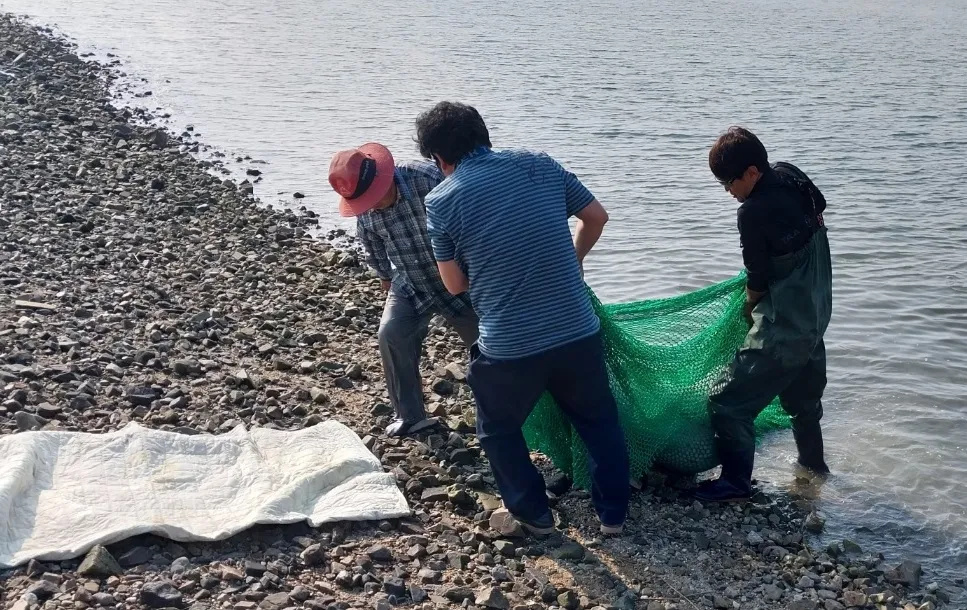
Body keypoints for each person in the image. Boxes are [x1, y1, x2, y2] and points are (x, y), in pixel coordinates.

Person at [416, 101, 630, 535]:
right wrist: (574, 258)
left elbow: (454, 284)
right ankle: (613, 515)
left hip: (510, 345)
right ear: (484, 135)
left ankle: (535, 515)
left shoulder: (441, 200)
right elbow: (596, 217)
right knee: (598, 421)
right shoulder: (540, 164)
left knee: (497, 428)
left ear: (438, 158)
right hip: (577, 329)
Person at [696, 127, 833, 503]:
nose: (728, 191)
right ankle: (814, 469)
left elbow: (757, 279)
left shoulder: (751, 212)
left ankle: (735, 484)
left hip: (784, 328)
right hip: (815, 315)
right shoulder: (792, 175)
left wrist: (747, 306)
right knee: (804, 404)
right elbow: (820, 207)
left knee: (728, 403)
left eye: (729, 182)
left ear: (752, 172)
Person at [327, 143, 479, 437]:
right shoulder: (364, 207)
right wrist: (385, 276)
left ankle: (504, 415)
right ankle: (410, 416)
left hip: (460, 283)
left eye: (371, 198)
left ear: (383, 179)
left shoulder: (427, 178)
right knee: (391, 334)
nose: (369, 207)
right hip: (410, 282)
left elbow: (473, 215)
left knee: (489, 350)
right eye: (362, 203)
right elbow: (372, 244)